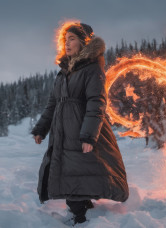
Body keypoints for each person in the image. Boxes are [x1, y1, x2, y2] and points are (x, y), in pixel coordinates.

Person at [31, 22, 129, 225]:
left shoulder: (92, 69)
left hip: (81, 129)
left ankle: (79, 217)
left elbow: (97, 102)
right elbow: (53, 103)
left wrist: (88, 135)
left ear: (84, 42)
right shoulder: (63, 72)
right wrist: (41, 128)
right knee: (69, 171)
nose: (67, 44)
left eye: (72, 39)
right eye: (65, 40)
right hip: (62, 132)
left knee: (76, 170)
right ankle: (82, 211)